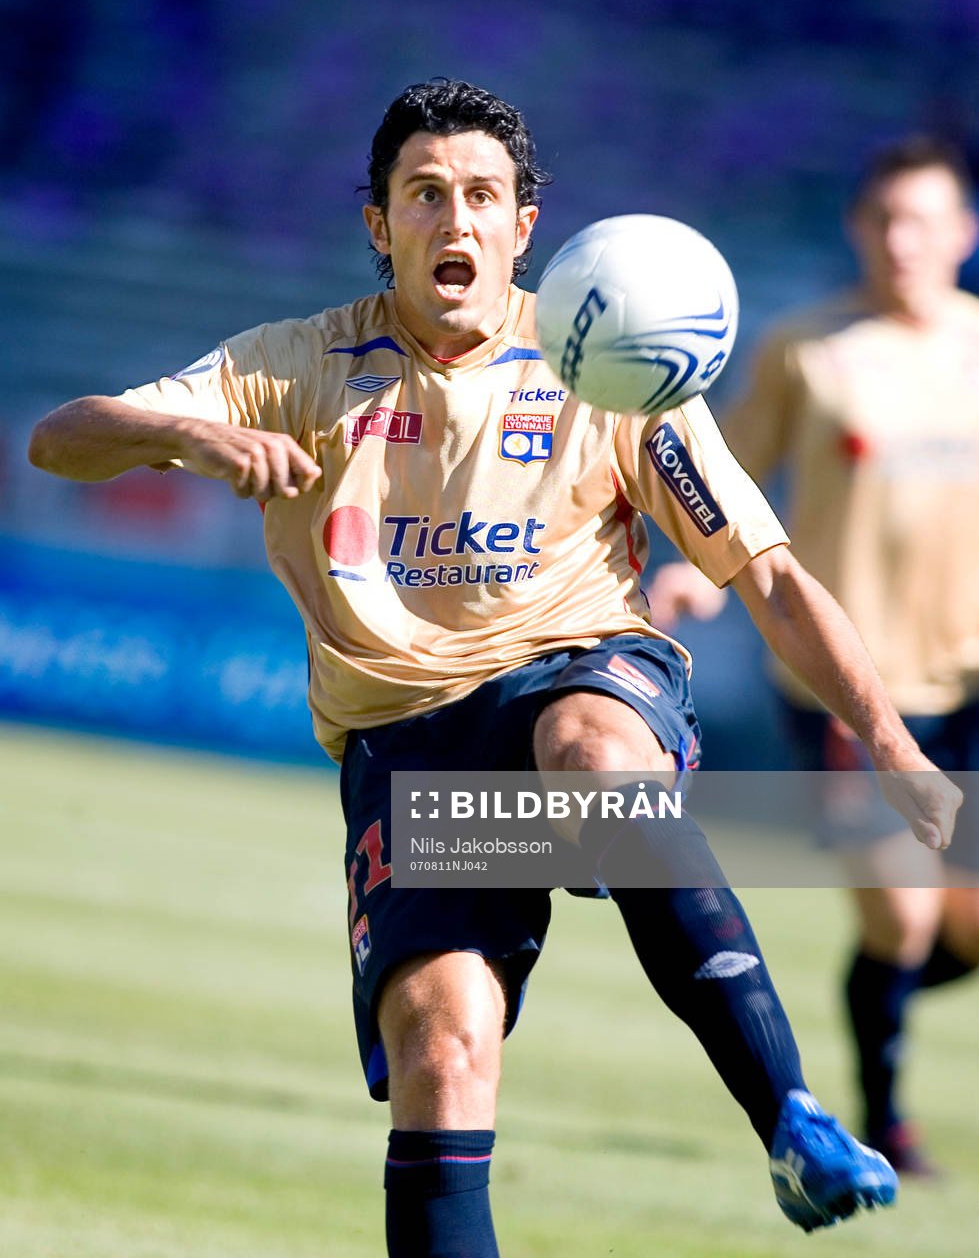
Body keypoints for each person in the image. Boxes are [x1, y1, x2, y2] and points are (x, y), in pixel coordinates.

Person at [29, 81, 959, 1253]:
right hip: (416, 758)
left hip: (575, 674)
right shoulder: (298, 362)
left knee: (590, 754)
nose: (453, 220)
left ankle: (788, 1112)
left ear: (525, 225)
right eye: (424, 195)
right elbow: (59, 437)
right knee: (443, 1048)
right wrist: (191, 432)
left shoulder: (612, 365)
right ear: (381, 224)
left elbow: (767, 577)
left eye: (482, 196)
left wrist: (890, 748)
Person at [649, 134, 979, 1178]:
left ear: (964, 233)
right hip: (845, 686)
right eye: (882, 218)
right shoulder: (808, 348)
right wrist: (697, 578)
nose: (900, 240)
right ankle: (884, 1113)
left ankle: (868, 1020)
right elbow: (727, 480)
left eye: (922, 219)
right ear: (856, 228)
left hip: (968, 679)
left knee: (940, 931)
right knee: (905, 907)